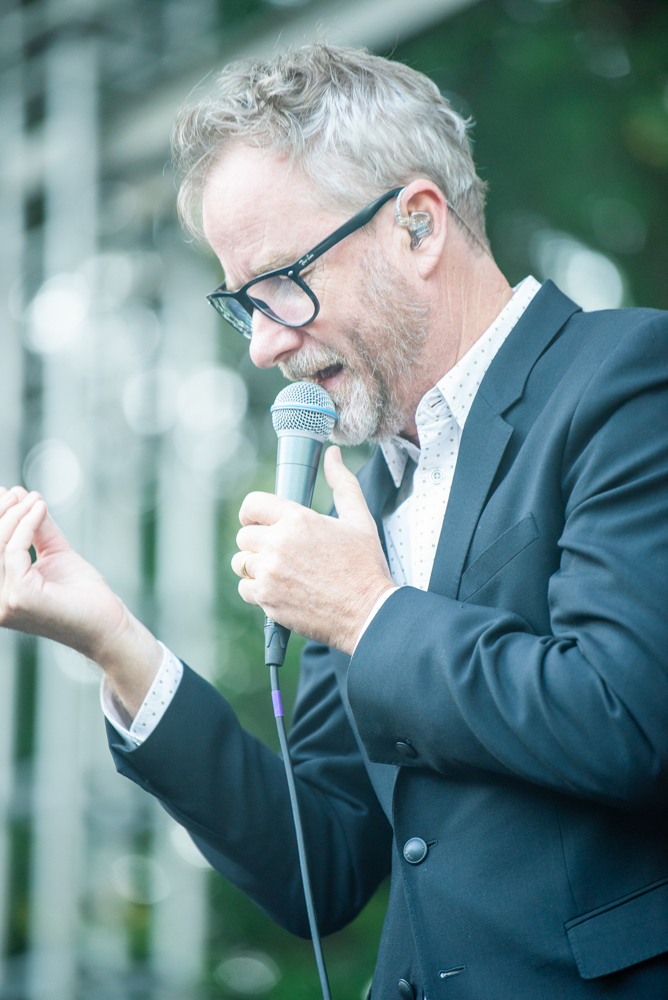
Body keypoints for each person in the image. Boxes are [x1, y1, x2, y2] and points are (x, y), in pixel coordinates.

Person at [1, 44, 668, 1000]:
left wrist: (367, 612)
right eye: (243, 304)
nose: (266, 342)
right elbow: (322, 866)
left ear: (418, 223)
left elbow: (628, 716)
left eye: (283, 281)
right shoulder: (364, 502)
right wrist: (117, 648)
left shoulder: (629, 380)